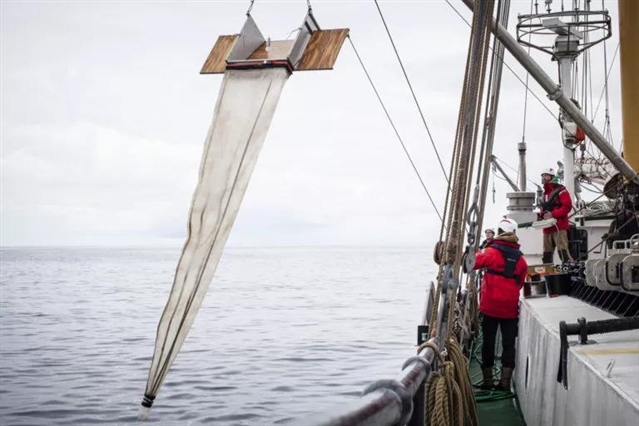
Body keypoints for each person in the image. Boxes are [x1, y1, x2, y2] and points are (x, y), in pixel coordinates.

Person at [473, 217, 528, 391]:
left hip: (490, 307)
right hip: (509, 309)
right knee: (508, 345)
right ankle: (505, 383)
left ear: (498, 232)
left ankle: (488, 381)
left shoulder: (490, 252)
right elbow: (520, 283)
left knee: (488, 343)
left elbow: (473, 263)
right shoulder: (521, 260)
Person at [539, 168, 573, 264]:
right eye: (543, 176)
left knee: (563, 252)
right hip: (547, 227)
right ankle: (548, 270)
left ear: (552, 177)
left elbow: (567, 207)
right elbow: (543, 209)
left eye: (546, 175)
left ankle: (568, 268)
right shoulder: (544, 193)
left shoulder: (561, 191)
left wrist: (553, 214)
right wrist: (540, 216)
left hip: (559, 227)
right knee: (547, 254)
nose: (544, 178)